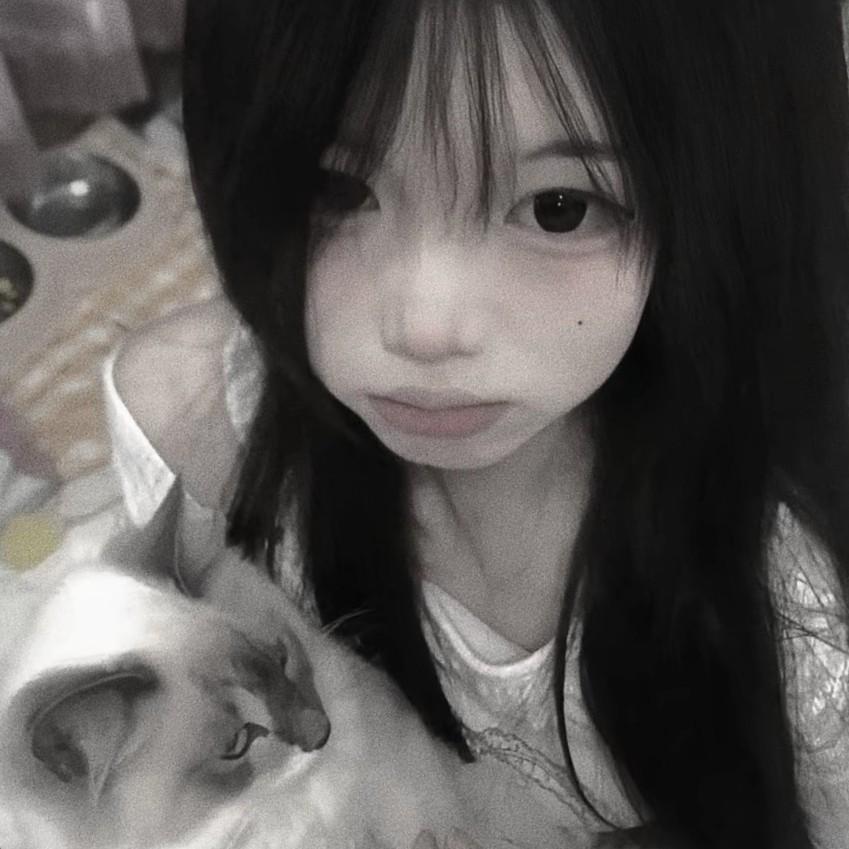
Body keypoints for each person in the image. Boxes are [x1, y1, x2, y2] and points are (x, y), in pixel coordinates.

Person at [104, 1, 849, 847]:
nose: (425, 326)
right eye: (335, 188)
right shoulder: (199, 431)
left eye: (559, 207)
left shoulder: (795, 585)